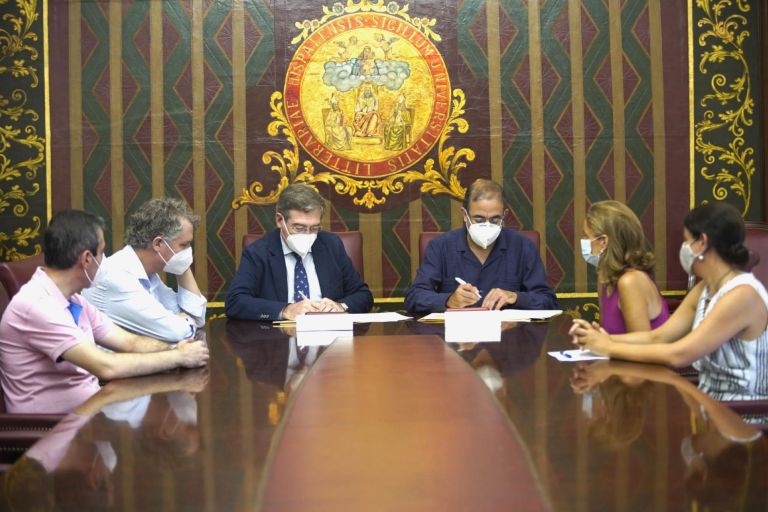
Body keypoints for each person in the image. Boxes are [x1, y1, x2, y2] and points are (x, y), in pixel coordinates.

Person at [0, 210, 209, 414]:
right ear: (87, 259)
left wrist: (175, 349)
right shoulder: (37, 306)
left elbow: (130, 342)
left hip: (90, 409)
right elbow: (105, 366)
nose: (105, 261)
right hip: (54, 427)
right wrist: (178, 357)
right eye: (102, 253)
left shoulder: (75, 300)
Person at [570, 202, 768, 401]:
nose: (684, 249)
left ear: (702, 242)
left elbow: (679, 354)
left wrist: (608, 347)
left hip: (741, 410)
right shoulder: (705, 288)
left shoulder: (742, 295)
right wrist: (597, 339)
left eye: (687, 241)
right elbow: (657, 337)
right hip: (709, 402)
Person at [405, 178, 558, 315]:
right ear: (464, 215)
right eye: (479, 219)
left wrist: (516, 297)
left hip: (507, 334)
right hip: (456, 336)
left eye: (495, 219)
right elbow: (414, 298)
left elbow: (549, 301)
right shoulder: (440, 246)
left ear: (504, 215)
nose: (487, 225)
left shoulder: (523, 246)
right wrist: (448, 300)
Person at [225, 183, 373, 321]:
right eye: (299, 228)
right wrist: (285, 310)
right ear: (279, 220)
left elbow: (363, 295)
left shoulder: (331, 245)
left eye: (314, 228)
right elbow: (235, 302)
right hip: (277, 337)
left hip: (330, 335)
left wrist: (340, 306)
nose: (308, 234)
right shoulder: (258, 252)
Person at [83, 197, 206, 343]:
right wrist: (179, 320)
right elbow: (176, 333)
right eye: (184, 245)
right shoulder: (117, 276)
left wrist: (183, 266)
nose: (189, 251)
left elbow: (197, 318)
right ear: (158, 243)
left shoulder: (149, 275)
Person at [580, 200, 669, 334]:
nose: (583, 241)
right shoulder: (605, 278)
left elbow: (641, 343)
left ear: (603, 241)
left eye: (586, 236)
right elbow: (611, 334)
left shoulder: (630, 282)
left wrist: (597, 340)